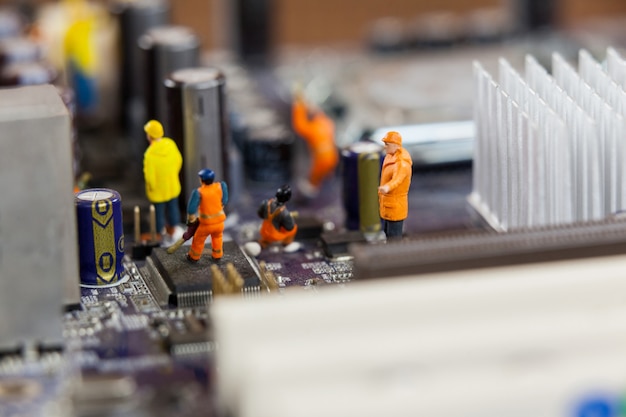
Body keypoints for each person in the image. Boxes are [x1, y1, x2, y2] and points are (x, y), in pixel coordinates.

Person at [292, 93, 339, 198]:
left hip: (321, 160)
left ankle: (310, 196)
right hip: (333, 158)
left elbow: (299, 125)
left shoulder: (313, 129)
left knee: (312, 182)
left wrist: (298, 107)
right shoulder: (327, 123)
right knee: (325, 180)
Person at [143, 119, 183, 241]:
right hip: (172, 185)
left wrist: (152, 187)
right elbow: (178, 160)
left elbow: (149, 176)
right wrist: (173, 175)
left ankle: (159, 233)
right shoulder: (170, 144)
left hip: (158, 190)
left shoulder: (150, 154)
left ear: (150, 136)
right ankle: (173, 228)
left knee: (158, 213)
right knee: (173, 208)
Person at [186, 169, 228, 263]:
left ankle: (194, 257)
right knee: (217, 238)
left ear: (201, 180)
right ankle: (217, 255)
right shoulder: (220, 186)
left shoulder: (199, 192)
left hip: (206, 225)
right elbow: (224, 201)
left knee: (198, 239)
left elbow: (191, 210)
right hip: (219, 223)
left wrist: (191, 221)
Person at [378, 131, 412, 240]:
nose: (385, 147)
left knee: (394, 236)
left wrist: (387, 187)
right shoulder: (390, 156)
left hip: (395, 205)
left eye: (387, 144)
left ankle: (394, 254)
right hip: (387, 203)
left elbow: (398, 179)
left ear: (395, 145)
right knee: (387, 233)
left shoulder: (402, 163)